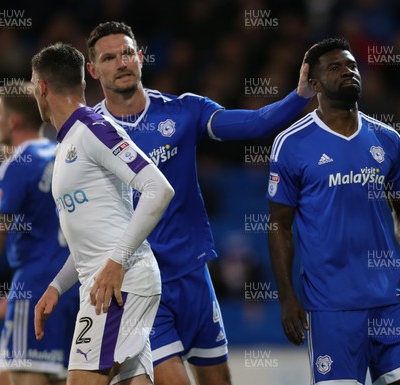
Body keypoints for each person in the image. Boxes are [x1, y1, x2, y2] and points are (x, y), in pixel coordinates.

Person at [85, 21, 315, 385]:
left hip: (193, 277)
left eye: (127, 53)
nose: (121, 62)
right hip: (142, 285)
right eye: (109, 57)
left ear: (140, 58)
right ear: (93, 69)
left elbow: (253, 124)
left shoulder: (183, 111)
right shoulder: (88, 134)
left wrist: (300, 96)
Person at [267, 38, 400, 385]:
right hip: (331, 306)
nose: (347, 71)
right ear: (314, 84)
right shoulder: (291, 144)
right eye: (335, 67)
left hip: (391, 296)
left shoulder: (387, 139)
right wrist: (287, 297)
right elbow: (278, 226)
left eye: (351, 65)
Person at [30, 42, 174, 385]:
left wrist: (117, 262)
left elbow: (159, 189)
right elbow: (90, 239)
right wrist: (56, 286)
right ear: (82, 83)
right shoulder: (68, 142)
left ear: (42, 87)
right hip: (108, 282)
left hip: (116, 285)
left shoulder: (94, 129)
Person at [0, 85, 79, 385]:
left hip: (34, 290)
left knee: (26, 376)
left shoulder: (17, 166)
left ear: (13, 120)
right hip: (72, 288)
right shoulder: (62, 157)